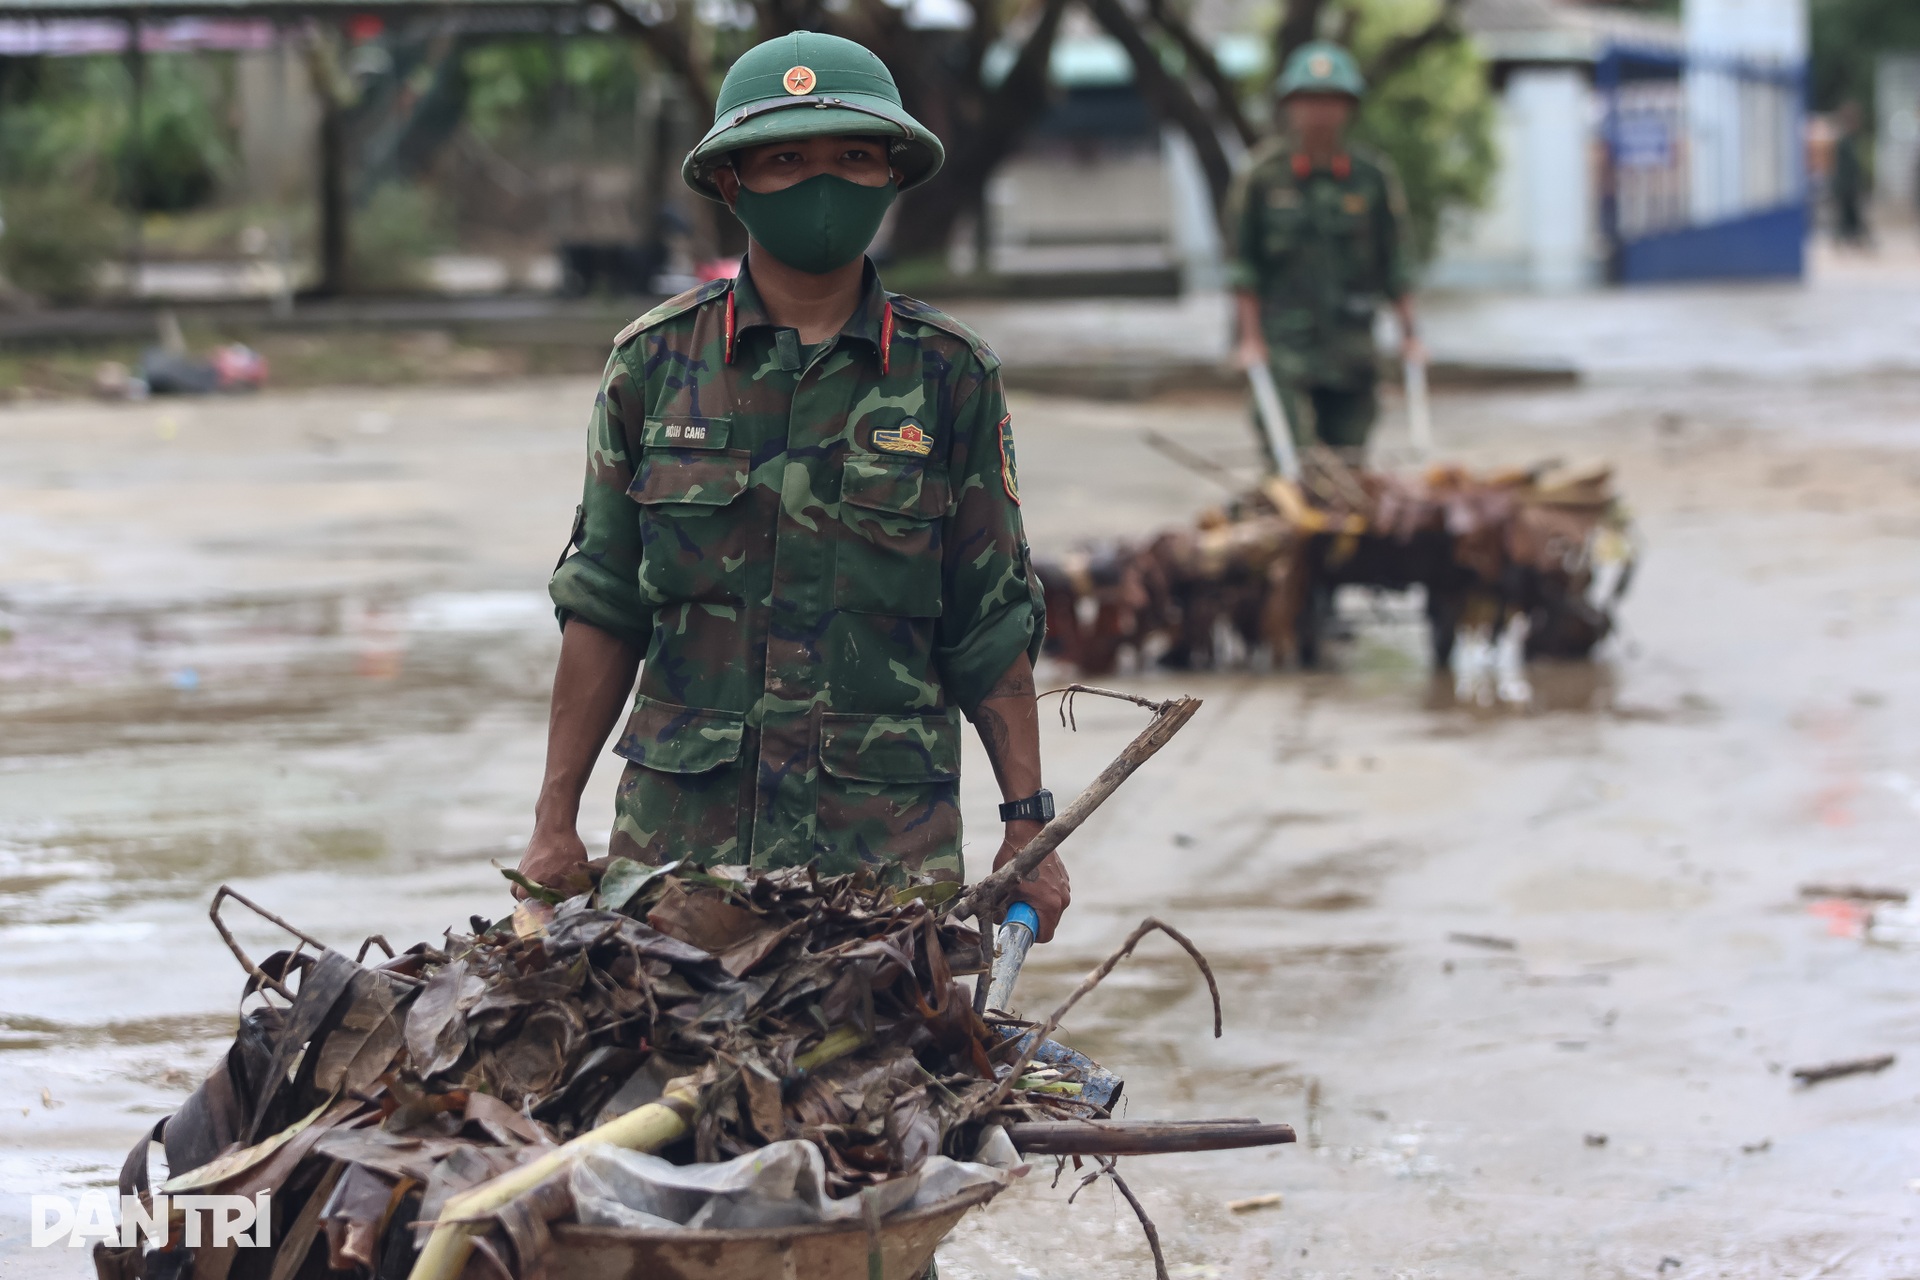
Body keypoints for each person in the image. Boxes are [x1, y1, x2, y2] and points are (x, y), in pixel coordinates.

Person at [515, 31, 1071, 942]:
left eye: (854, 156)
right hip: (681, 856)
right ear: (732, 181)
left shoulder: (950, 375)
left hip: (884, 861)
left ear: (892, 175)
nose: (825, 182)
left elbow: (990, 620)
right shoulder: (653, 365)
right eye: (786, 158)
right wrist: (552, 822)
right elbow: (605, 603)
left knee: (887, 1081)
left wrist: (1028, 821)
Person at [1228, 40, 1420, 467]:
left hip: (1351, 345)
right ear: (1290, 106)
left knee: (1348, 466)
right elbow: (1243, 267)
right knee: (1288, 458)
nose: (1320, 112)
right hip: (1285, 346)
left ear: (1348, 107)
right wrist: (1250, 340)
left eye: (1331, 100)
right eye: (1309, 100)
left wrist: (1411, 336)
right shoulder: (1261, 177)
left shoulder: (1371, 177)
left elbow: (1397, 263)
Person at [1831, 101, 1870, 249]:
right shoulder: (1845, 141)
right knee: (1848, 216)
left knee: (1850, 216)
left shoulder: (1849, 140)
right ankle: (1851, 241)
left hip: (1846, 186)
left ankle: (1855, 240)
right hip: (1846, 186)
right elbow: (1851, 167)